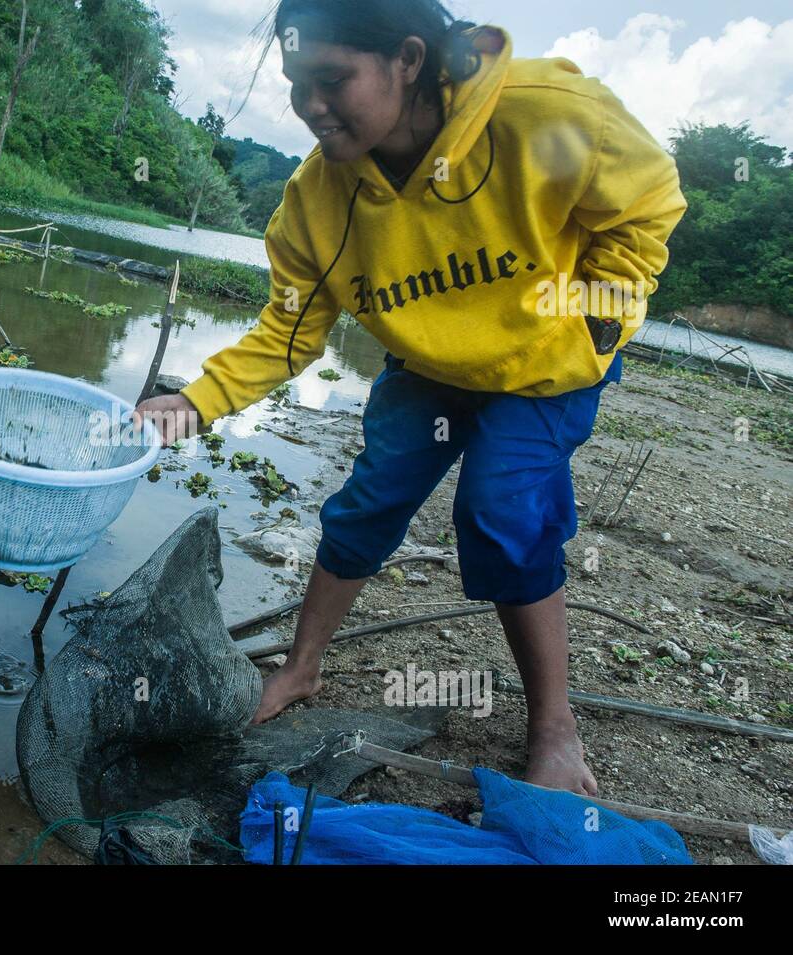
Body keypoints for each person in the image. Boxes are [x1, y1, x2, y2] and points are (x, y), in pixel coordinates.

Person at [133, 0, 687, 795]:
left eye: (332, 79)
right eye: (297, 85)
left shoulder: (547, 117)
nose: (311, 106)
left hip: (543, 362)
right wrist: (191, 402)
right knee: (369, 500)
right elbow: (288, 335)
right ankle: (302, 667)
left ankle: (554, 727)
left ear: (409, 59)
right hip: (429, 366)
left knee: (501, 509)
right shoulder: (316, 203)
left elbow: (650, 200)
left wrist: (599, 313)